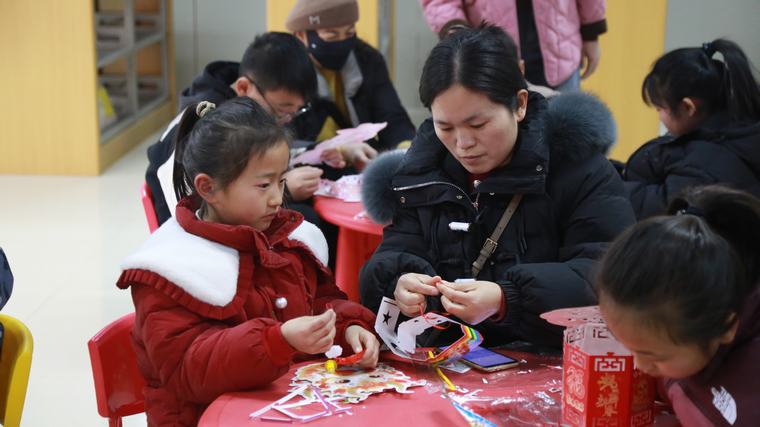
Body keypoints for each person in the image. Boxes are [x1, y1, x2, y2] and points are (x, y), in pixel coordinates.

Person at [359, 25, 634, 348]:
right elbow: (394, 253)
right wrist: (399, 284)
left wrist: (508, 299)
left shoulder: (580, 171)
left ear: (519, 105)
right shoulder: (422, 172)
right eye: (444, 126)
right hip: (453, 364)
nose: (463, 144)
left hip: (552, 364)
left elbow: (612, 278)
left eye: (478, 125)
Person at [118, 97, 379, 426]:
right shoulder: (169, 268)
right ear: (208, 188)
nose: (277, 198)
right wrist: (276, 341)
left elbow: (321, 302)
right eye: (263, 185)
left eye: (282, 181)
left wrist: (347, 327)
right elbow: (187, 369)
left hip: (288, 407)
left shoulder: (288, 238)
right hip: (203, 417)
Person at [596, 185, 760, 426]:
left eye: (654, 355)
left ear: (726, 327)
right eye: (630, 348)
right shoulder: (682, 337)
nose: (640, 366)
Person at [146, 32, 326, 226]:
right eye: (281, 111)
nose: (284, 120)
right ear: (243, 87)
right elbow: (199, 208)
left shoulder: (246, 103)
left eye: (295, 111)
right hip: (191, 224)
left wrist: (319, 151)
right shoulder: (211, 126)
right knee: (309, 221)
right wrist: (285, 188)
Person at [621, 39, 760, 219]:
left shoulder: (707, 163)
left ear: (688, 107)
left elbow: (658, 210)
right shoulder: (731, 129)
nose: (659, 116)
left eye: (660, 108)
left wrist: (606, 185)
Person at [286, 0, 416, 169]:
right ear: (301, 36)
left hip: (364, 161)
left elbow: (392, 117)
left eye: (349, 33)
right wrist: (337, 150)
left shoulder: (368, 60)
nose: (341, 43)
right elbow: (282, 139)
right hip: (309, 169)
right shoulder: (286, 70)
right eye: (331, 35)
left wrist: (407, 149)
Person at [420, 0, 607, 91]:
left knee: (566, 144)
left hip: (561, 51)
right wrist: (457, 32)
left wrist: (591, 32)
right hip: (491, 59)